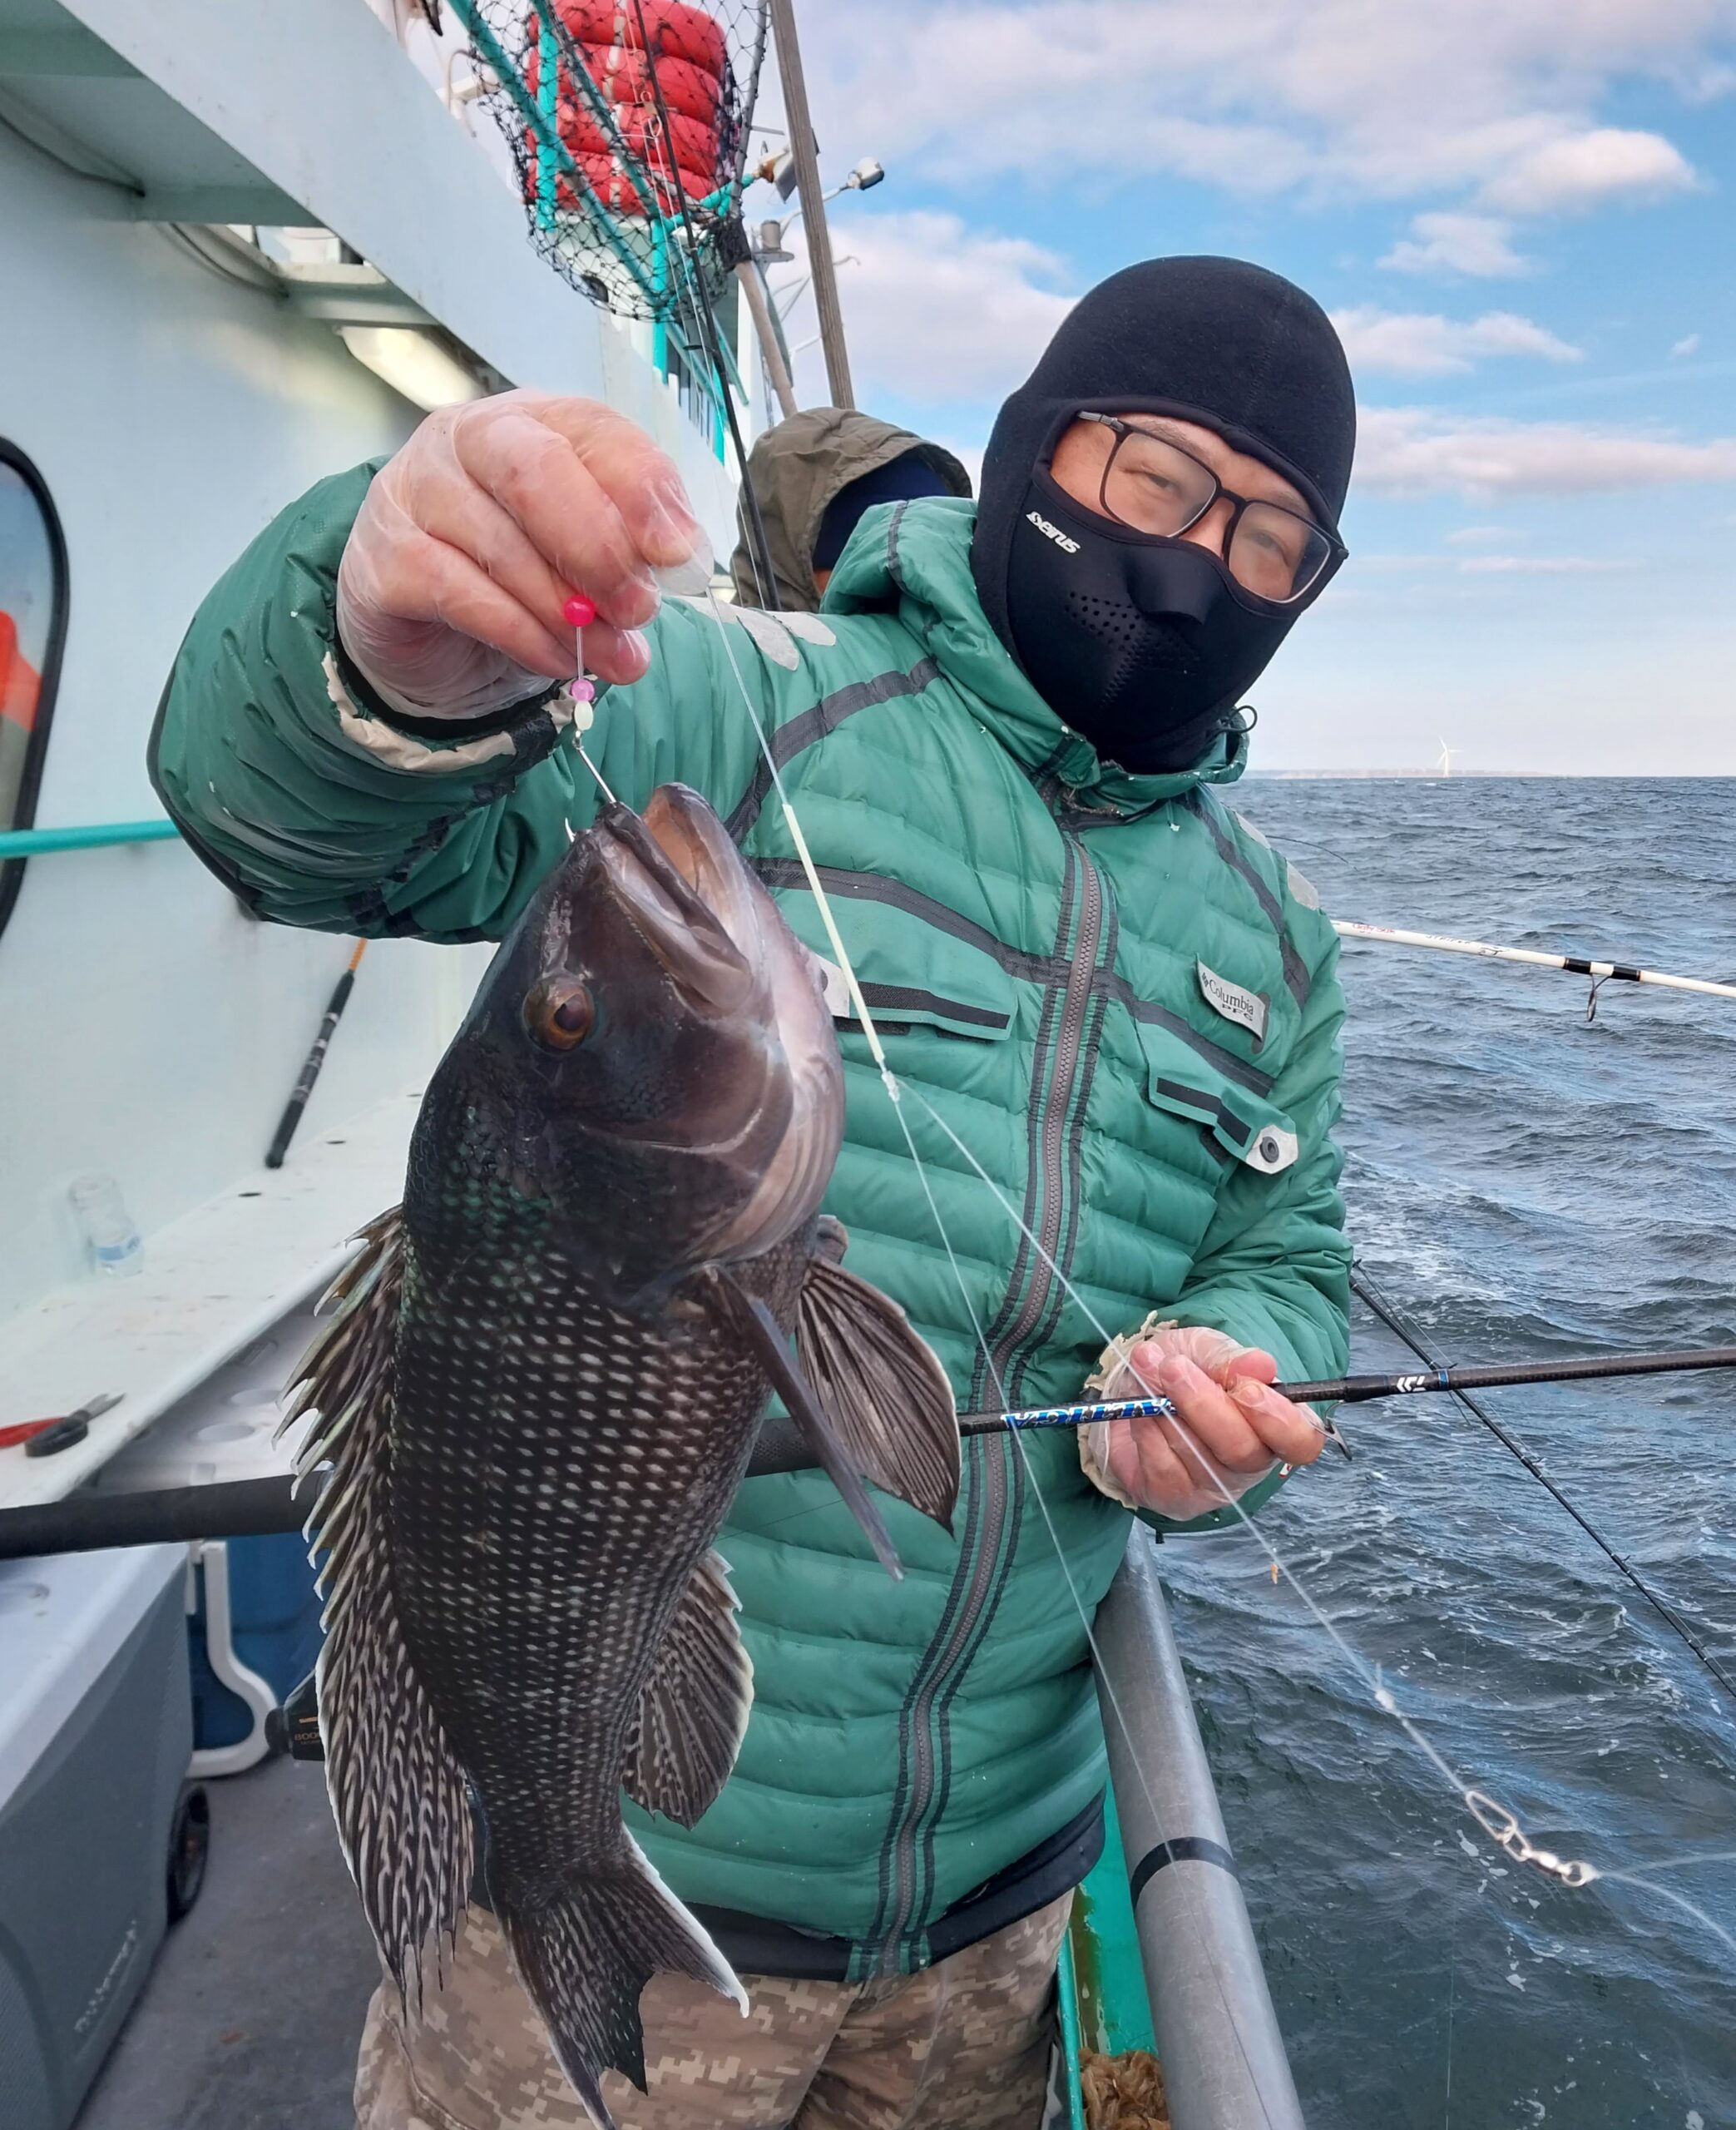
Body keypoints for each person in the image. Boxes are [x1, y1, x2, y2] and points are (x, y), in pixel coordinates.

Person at [151, 254, 1354, 2130]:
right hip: (628, 1860)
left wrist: (1226, 1375)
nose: (1200, 554)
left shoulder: (1275, 933)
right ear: (1040, 452)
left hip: (989, 1919)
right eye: (1152, 473)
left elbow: (1287, 1249)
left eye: (1270, 532)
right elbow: (286, 815)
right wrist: (375, 632)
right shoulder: (735, 702)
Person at [726, 406, 972, 610]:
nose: (916, 586)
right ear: (793, 569)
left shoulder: (967, 653)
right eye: (879, 572)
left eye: (939, 561)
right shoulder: (719, 661)